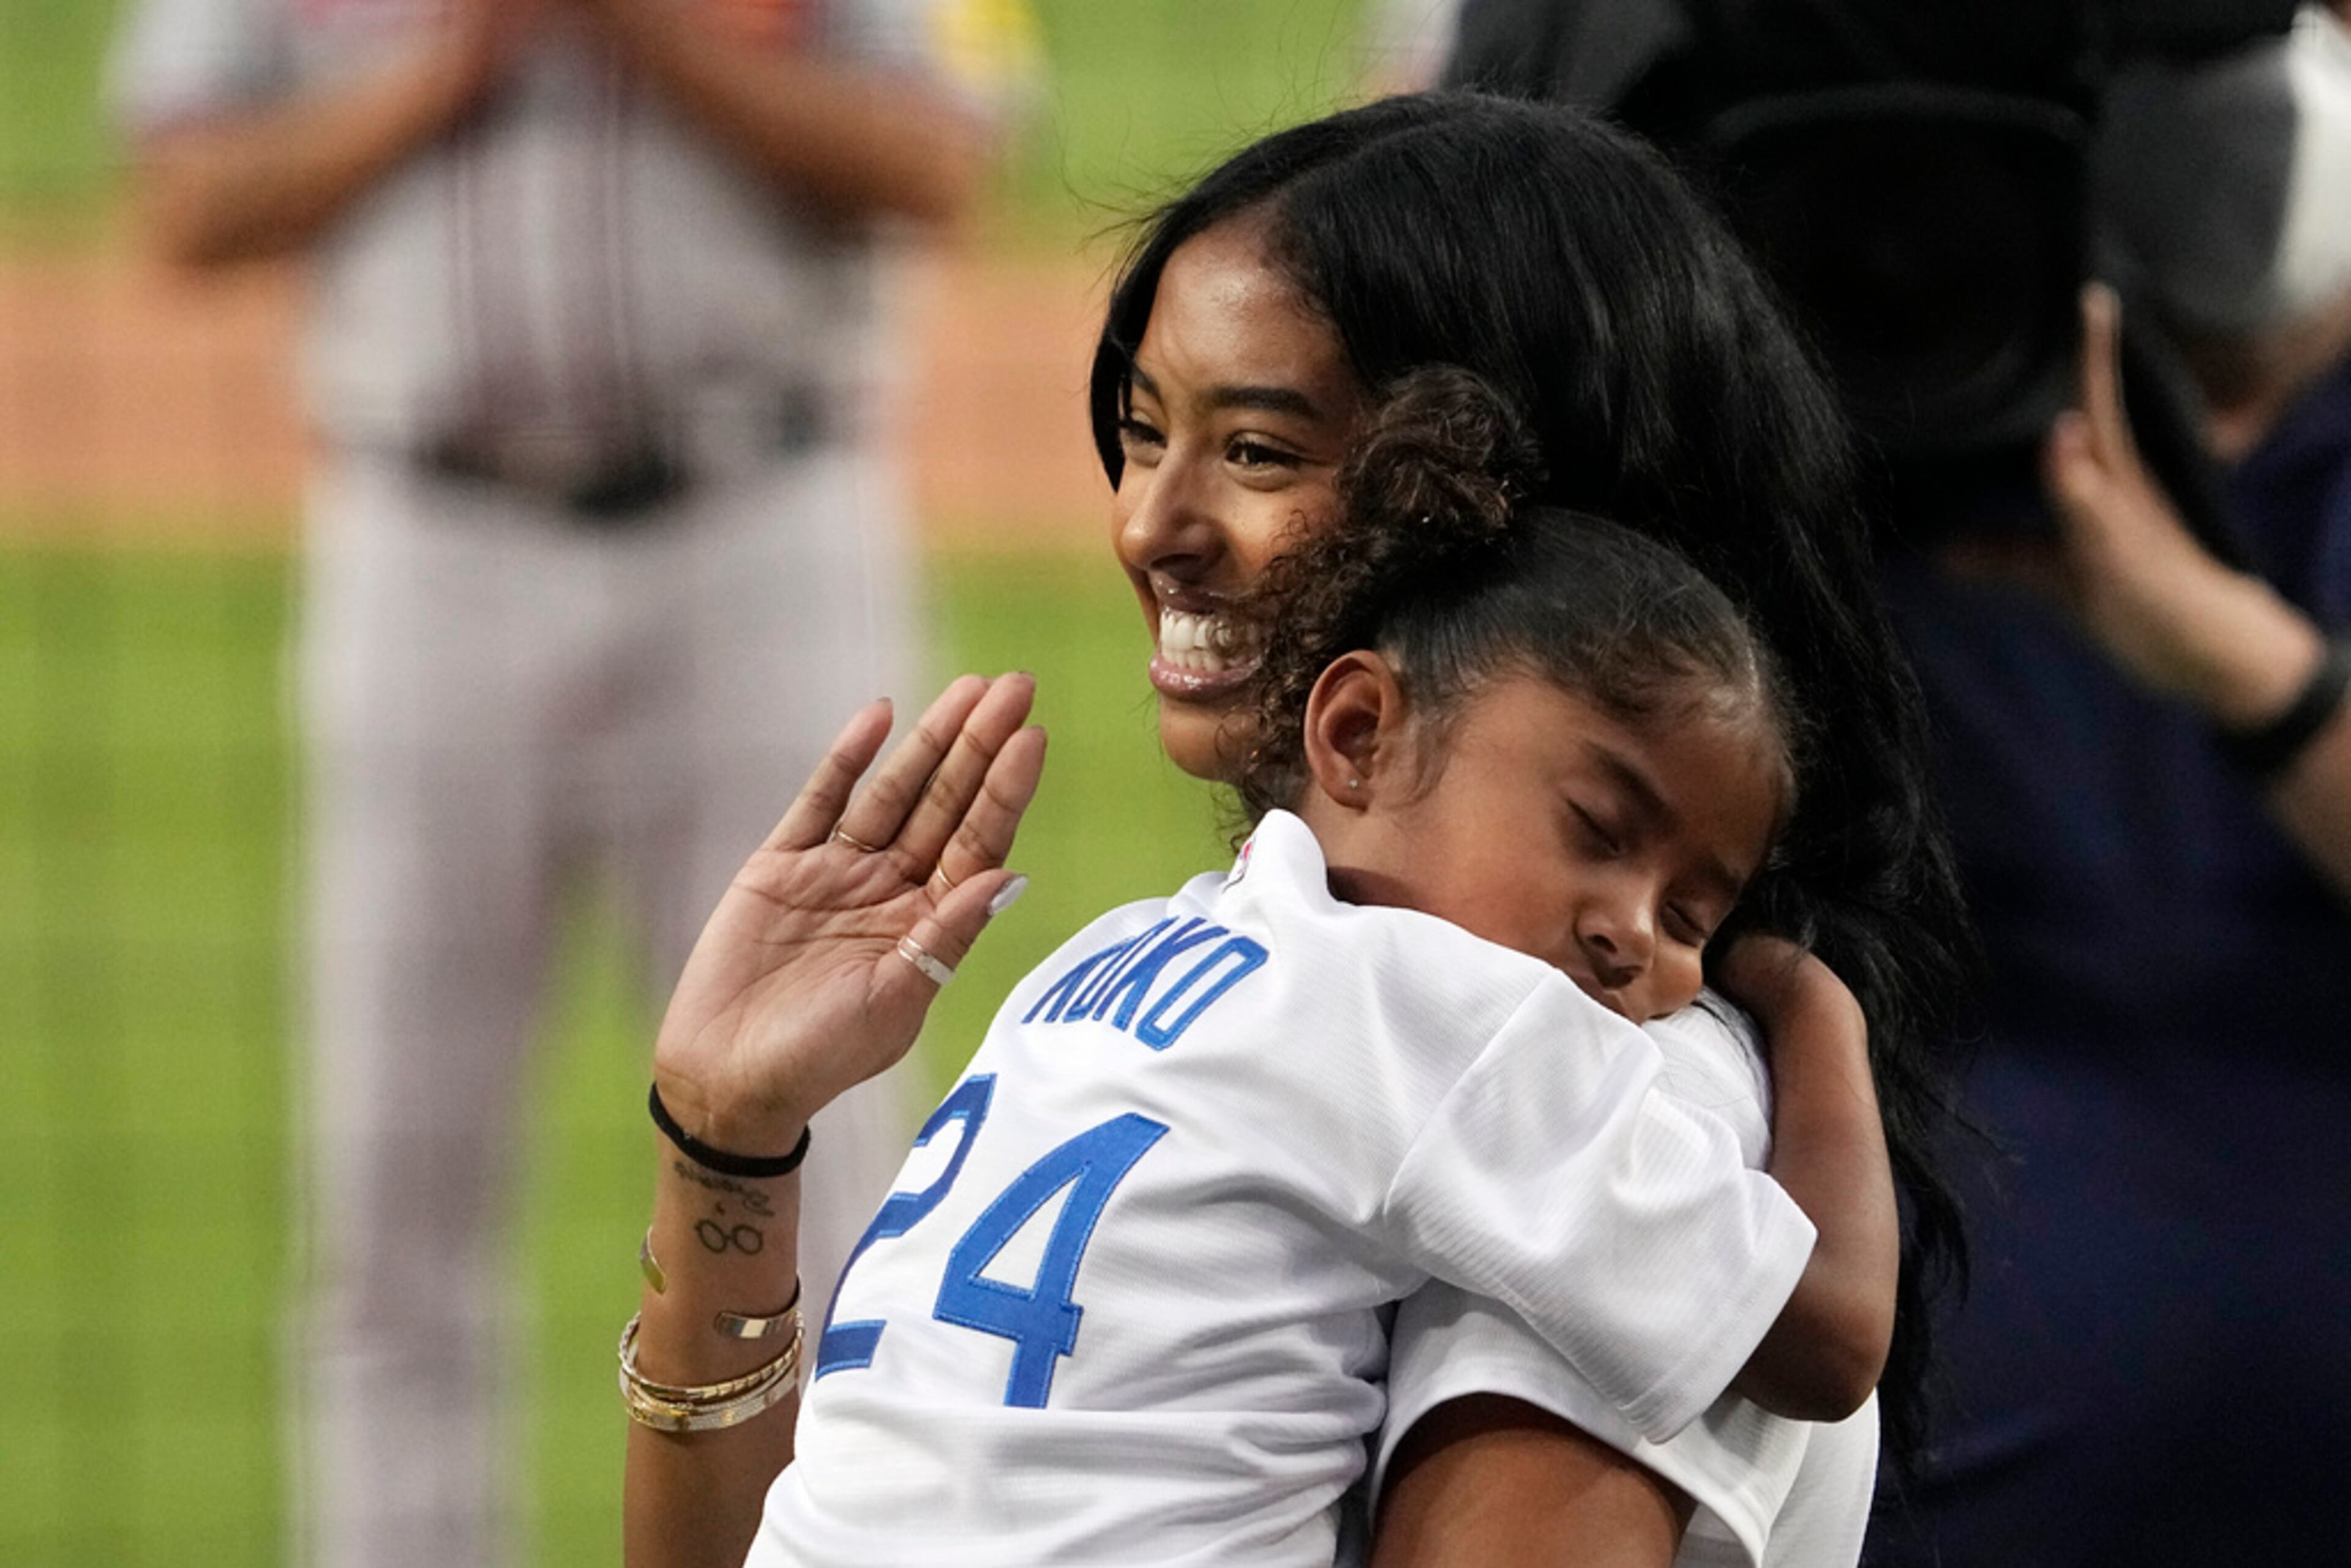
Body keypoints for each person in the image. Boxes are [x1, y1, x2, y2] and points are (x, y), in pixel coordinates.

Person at [623, 93, 1972, 1568]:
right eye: (1144, 435)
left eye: (1260, 452)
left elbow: (1810, 1335)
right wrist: (728, 1144)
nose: (1150, 525)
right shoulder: (1281, 971)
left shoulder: (1620, 1078)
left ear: (1495, 511)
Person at [106, 2, 1013, 1562]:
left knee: (841, 1186)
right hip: (424, 552)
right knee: (392, 1219)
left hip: (764, 540)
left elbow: (939, 159)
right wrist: (455, 66)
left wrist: (645, 36)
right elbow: (187, 199)